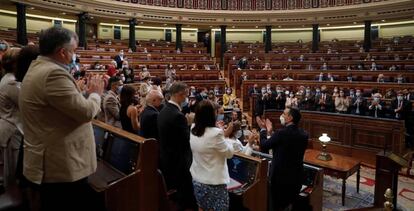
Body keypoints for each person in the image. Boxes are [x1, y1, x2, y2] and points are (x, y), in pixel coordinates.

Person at [19, 27, 104, 210]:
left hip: (52, 161)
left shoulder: (39, 68)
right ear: (63, 52)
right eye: (73, 51)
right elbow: (86, 112)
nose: (75, 55)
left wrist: (81, 93)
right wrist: (96, 94)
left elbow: (57, 107)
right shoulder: (53, 74)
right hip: (60, 166)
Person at [0, 45, 39, 188]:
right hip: (13, 131)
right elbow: (31, 103)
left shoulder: (8, 78)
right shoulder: (12, 82)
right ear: (16, 63)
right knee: (12, 173)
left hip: (11, 129)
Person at [256, 108, 308, 211]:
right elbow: (283, 145)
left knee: (277, 206)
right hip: (296, 177)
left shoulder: (281, 133)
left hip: (280, 179)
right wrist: (271, 133)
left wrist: (263, 129)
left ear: (290, 118)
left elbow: (264, 145)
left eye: (284, 114)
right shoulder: (304, 134)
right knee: (290, 204)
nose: (282, 116)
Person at [157, 82, 197, 210]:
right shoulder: (177, 115)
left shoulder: (163, 110)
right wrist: (190, 124)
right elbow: (186, 140)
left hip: (167, 158)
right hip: (179, 162)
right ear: (179, 94)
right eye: (186, 94)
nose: (187, 97)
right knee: (183, 196)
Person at [189, 100, 234, 211]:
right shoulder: (216, 134)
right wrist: (225, 136)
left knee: (202, 207)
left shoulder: (193, 128)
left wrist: (217, 130)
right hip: (214, 183)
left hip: (197, 179)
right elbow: (229, 153)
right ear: (211, 115)